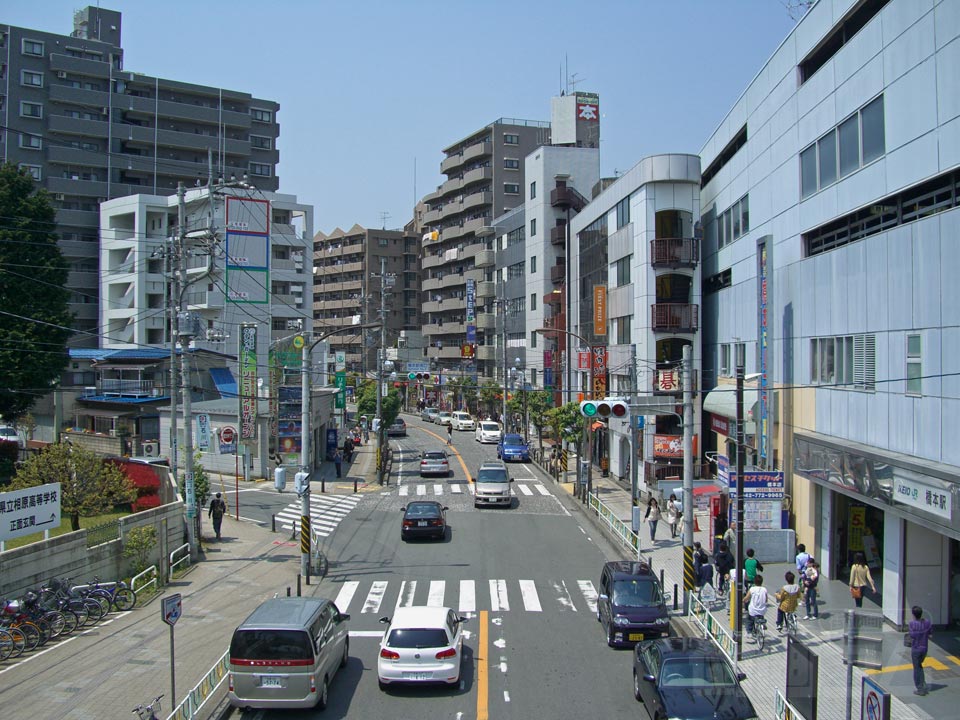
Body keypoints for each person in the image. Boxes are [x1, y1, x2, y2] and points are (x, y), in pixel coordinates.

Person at [907, 605, 933, 695]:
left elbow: (912, 635)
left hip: (916, 649)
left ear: (913, 614)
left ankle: (920, 688)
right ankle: (923, 683)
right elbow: (930, 634)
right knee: (919, 665)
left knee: (917, 668)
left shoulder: (912, 624)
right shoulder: (927, 622)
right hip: (924, 649)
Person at [743, 574, 768, 640]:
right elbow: (766, 600)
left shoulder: (752, 589)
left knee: (749, 619)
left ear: (754, 582)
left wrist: (743, 600)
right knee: (760, 614)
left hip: (753, 610)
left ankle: (749, 632)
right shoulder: (764, 589)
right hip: (762, 610)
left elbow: (747, 598)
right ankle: (763, 622)